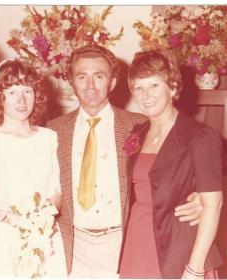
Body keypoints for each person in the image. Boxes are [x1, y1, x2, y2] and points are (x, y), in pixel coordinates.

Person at [47, 45, 204, 278]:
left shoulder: (140, 126)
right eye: (82, 76)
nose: (90, 85)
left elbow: (180, 165)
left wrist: (199, 197)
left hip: (124, 245)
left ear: (112, 82)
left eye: (99, 76)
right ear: (72, 82)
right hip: (71, 247)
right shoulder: (53, 131)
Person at [119, 50, 223, 279]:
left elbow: (213, 207)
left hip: (181, 250)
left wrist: (194, 268)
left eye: (154, 86)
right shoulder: (137, 133)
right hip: (138, 243)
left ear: (173, 88)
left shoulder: (200, 137)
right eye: (139, 88)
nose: (146, 95)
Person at [0, 59, 67, 277]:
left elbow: (57, 189)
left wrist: (41, 221)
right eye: (12, 92)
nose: (21, 100)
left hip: (44, 233)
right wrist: (16, 221)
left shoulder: (49, 138)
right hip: (3, 233)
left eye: (27, 91)